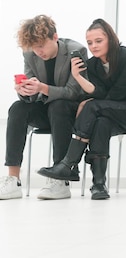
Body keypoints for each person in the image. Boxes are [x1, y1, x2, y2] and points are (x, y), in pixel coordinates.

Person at [37, 18, 126, 200]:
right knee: (101, 124)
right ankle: (98, 184)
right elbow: (100, 93)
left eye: (98, 41)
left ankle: (69, 163)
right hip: (109, 113)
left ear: (111, 39)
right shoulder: (94, 65)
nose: (93, 46)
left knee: (93, 106)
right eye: (89, 43)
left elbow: (115, 95)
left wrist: (87, 102)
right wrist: (78, 77)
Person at [0, 15, 86, 200]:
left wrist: (42, 88)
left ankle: (60, 179)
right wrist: (24, 90)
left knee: (59, 106)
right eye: (34, 47)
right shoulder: (29, 54)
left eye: (41, 45)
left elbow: (73, 92)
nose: (38, 51)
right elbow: (32, 94)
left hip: (68, 111)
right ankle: (13, 179)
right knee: (17, 108)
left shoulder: (76, 50)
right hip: (45, 109)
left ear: (55, 37)